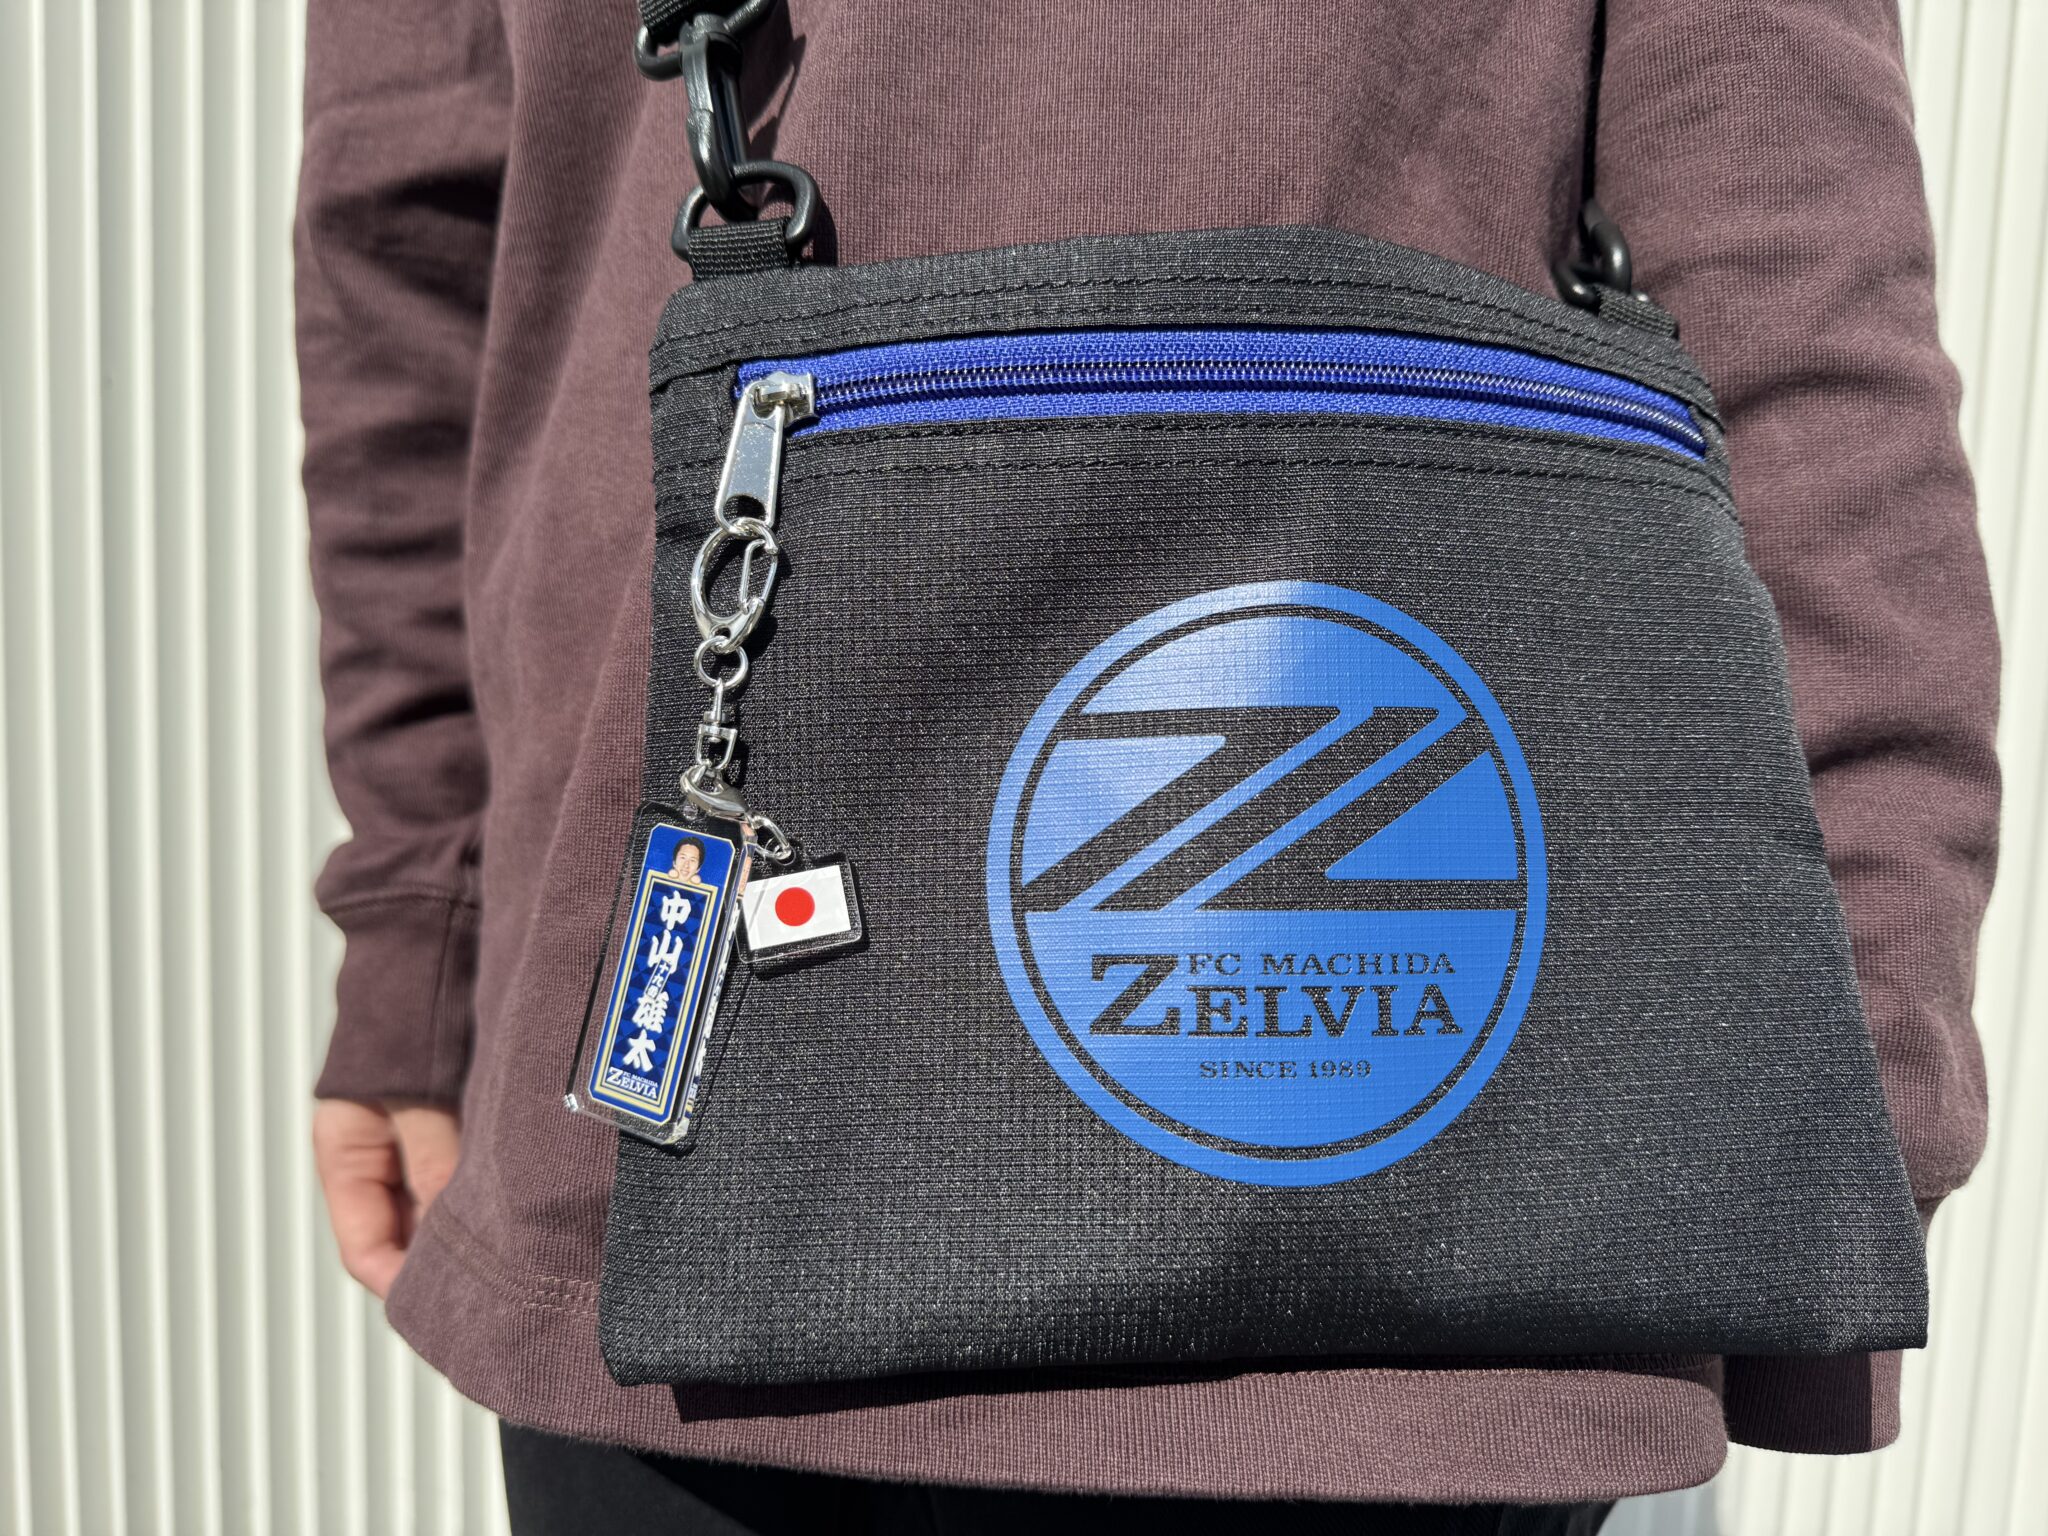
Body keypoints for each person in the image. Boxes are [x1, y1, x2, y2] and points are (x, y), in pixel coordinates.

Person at [299, 2, 1998, 1532]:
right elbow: (1793, 271)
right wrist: (419, 935)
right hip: (716, 1206)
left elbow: (1791, 292)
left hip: (1406, 1310)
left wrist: (1829, 1116)